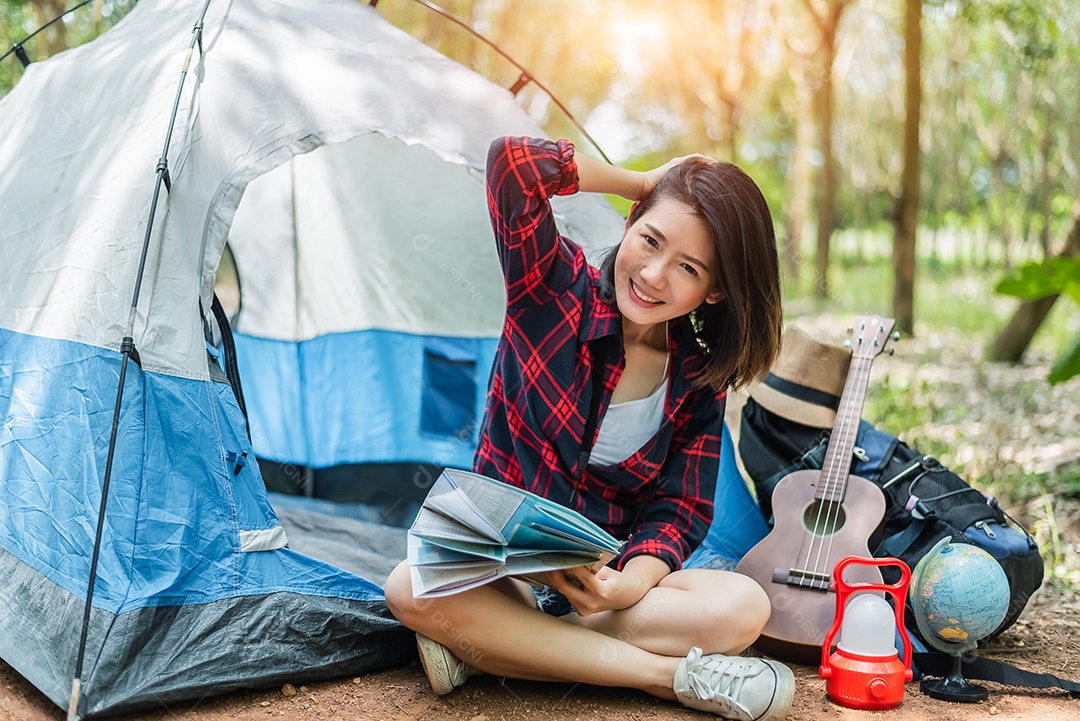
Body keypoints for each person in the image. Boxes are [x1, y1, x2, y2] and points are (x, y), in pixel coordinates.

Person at [385, 136, 788, 721]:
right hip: (505, 574)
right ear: (630, 223)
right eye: (650, 240)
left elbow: (679, 510)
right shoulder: (550, 285)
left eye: (689, 268)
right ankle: (666, 677)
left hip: (600, 595)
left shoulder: (699, 376)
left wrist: (628, 585)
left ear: (715, 290)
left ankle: (503, 651)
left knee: (743, 605)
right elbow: (511, 166)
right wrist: (643, 181)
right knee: (407, 584)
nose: (653, 274)